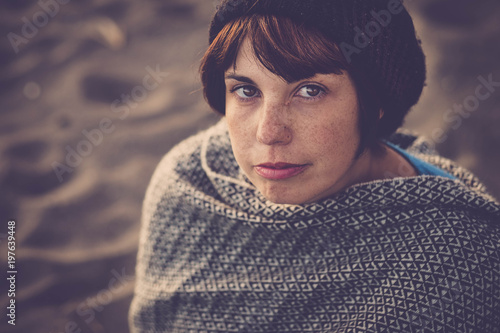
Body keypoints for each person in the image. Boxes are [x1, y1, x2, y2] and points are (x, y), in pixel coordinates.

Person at [129, 0, 500, 332]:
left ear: (377, 104)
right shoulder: (188, 183)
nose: (269, 132)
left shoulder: (460, 264)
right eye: (246, 90)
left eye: (309, 91)